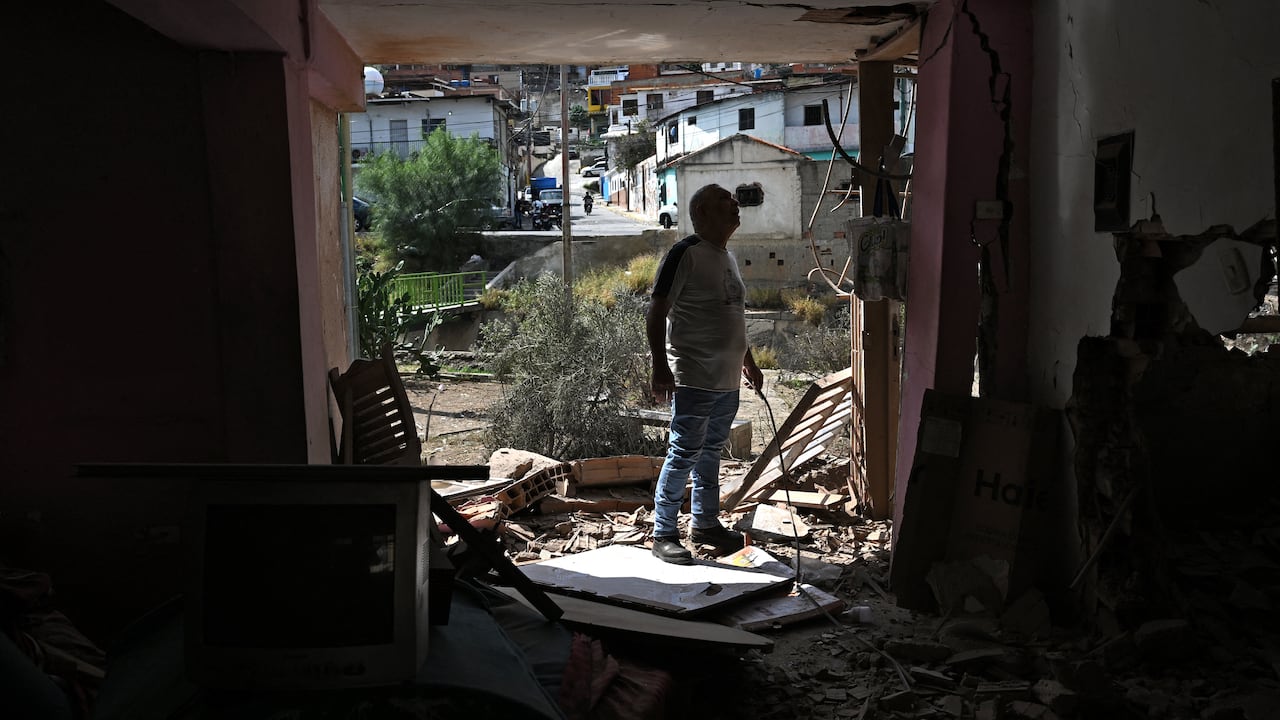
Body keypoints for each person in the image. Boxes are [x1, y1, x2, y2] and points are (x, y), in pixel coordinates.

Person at [646, 183, 763, 564]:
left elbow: (733, 315)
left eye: (732, 199)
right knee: (684, 453)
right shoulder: (686, 253)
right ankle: (663, 532)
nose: (734, 203)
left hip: (727, 377)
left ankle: (705, 524)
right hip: (694, 374)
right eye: (723, 200)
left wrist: (749, 361)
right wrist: (659, 365)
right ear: (701, 214)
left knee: (712, 452)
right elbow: (657, 311)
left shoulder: (726, 257)